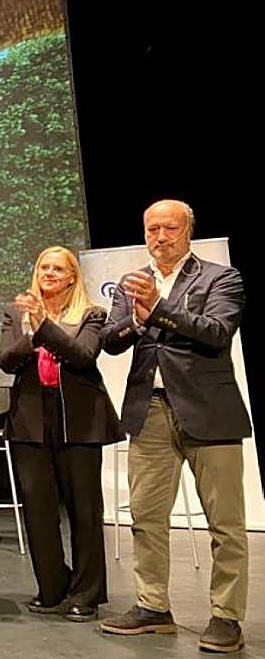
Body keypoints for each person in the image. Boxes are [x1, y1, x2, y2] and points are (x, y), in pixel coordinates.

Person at [99, 200, 250, 653]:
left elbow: (217, 331)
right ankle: (152, 607)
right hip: (151, 409)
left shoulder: (221, 277)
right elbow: (109, 340)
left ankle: (226, 615)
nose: (160, 236)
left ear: (188, 231)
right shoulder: (131, 284)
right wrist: (133, 319)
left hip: (209, 410)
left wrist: (158, 310)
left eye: (169, 227)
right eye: (151, 229)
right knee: (146, 516)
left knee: (225, 522)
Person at [0, 246, 119, 623]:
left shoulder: (92, 313)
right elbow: (6, 361)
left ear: (71, 277)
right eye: (44, 267)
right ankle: (52, 587)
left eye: (58, 268)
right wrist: (31, 328)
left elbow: (82, 355)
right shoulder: (17, 313)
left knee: (84, 509)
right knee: (38, 508)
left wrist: (43, 326)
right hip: (31, 419)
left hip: (80, 420)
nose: (49, 273)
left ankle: (87, 592)